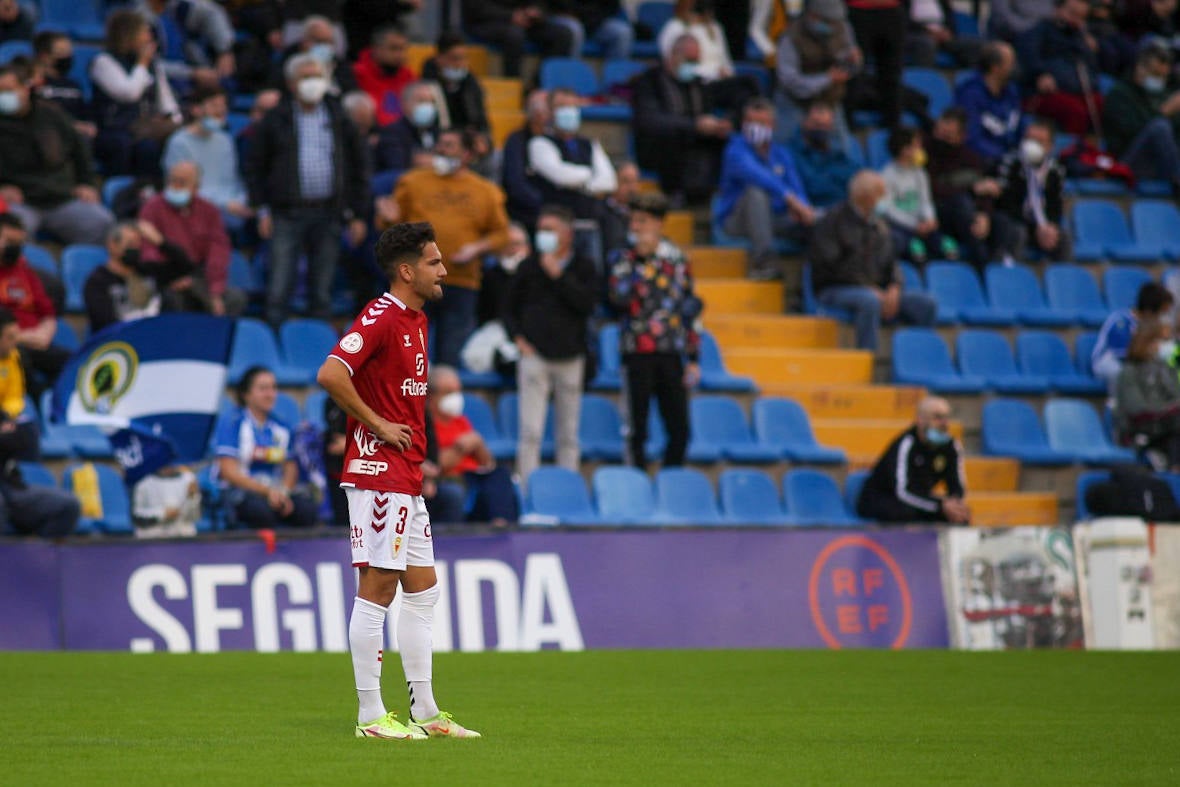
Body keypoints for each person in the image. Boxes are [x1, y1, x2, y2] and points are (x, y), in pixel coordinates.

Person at [316, 221, 481, 740]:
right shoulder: (381, 316)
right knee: (378, 587)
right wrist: (379, 425)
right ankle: (370, 717)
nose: (444, 270)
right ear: (407, 270)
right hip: (376, 472)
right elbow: (331, 373)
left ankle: (426, 713)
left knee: (424, 591)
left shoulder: (418, 321)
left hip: (405, 475)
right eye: (434, 262)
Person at [245, 53, 370, 327]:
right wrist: (262, 209)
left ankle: (318, 351)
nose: (312, 83)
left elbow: (360, 166)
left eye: (317, 76)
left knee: (322, 290)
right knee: (279, 288)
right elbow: (255, 166)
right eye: (306, 77)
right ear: (291, 83)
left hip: (330, 211)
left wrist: (358, 214)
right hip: (286, 212)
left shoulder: (339, 116)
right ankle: (275, 345)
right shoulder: (276, 118)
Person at [384, 129, 510, 367]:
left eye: (450, 145)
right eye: (440, 144)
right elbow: (390, 225)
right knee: (408, 357)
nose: (441, 150)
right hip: (415, 281)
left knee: (450, 357)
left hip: (461, 282)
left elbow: (502, 235)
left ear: (467, 154)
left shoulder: (486, 191)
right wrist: (386, 218)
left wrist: (476, 248)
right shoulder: (412, 181)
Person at [504, 205, 597, 487]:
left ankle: (568, 488)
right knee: (530, 431)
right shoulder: (528, 266)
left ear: (567, 234)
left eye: (550, 230)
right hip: (535, 356)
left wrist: (559, 276)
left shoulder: (584, 266)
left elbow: (588, 304)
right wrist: (518, 338)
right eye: (541, 230)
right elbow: (508, 308)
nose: (543, 235)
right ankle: (527, 487)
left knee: (568, 433)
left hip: (571, 357)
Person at [607, 193, 701, 468]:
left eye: (642, 221)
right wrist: (641, 263)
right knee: (637, 427)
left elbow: (689, 309)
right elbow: (618, 299)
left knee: (680, 428)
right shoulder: (622, 259)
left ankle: (670, 482)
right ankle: (638, 482)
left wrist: (694, 358)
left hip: (671, 351)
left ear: (659, 224)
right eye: (632, 221)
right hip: (636, 351)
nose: (635, 227)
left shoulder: (678, 260)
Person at [809, 170, 938, 351]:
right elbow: (830, 266)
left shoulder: (879, 225)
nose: (885, 198)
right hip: (835, 289)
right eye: (881, 193)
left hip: (876, 290)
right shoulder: (832, 221)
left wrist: (894, 287)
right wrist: (867, 288)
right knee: (869, 301)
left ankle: (918, 357)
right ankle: (868, 361)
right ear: (865, 196)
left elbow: (891, 262)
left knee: (926, 304)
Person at [0, 64, 114, 246]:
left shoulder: (52, 114)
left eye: (8, 90)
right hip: (21, 203)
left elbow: (80, 150)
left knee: (101, 222)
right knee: (9, 235)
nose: (3, 97)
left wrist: (86, 183)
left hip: (61, 197)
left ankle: (81, 271)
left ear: (26, 88)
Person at [0, 307, 80, 538]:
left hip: (10, 484)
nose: (17, 342)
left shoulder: (16, 359)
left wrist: (10, 432)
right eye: (10, 337)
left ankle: (35, 567)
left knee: (66, 506)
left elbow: (29, 443)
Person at [716, 96, 816, 280]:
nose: (755, 127)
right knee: (756, 193)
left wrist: (803, 208)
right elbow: (759, 176)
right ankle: (764, 261)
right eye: (750, 122)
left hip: (776, 217)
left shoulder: (781, 153)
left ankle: (814, 280)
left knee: (821, 219)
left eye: (762, 122)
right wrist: (791, 199)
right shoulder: (735, 149)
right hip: (737, 220)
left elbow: (796, 186)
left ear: (773, 125)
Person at [632, 34, 732, 205]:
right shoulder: (650, 80)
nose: (692, 65)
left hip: (694, 143)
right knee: (672, 136)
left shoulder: (698, 83)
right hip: (659, 147)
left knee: (725, 140)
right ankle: (677, 197)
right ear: (673, 55)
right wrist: (694, 125)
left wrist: (718, 125)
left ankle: (716, 197)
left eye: (696, 61)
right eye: (689, 60)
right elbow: (649, 120)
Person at [215, 365, 318, 529]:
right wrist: (267, 492)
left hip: (275, 491)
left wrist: (283, 492)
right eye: (263, 389)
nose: (270, 394)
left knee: (307, 510)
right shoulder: (232, 423)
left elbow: (290, 467)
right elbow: (228, 471)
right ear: (246, 394)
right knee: (261, 512)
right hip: (241, 492)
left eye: (273, 388)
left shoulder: (281, 427)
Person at [138, 161, 247, 316]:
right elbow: (149, 253)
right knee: (174, 300)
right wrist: (173, 278)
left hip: (200, 277)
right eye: (172, 180)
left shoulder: (209, 211)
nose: (175, 186)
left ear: (196, 187)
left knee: (235, 299)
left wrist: (213, 289)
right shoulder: (152, 207)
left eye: (182, 182)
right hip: (168, 278)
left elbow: (218, 253)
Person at [90, 9, 183, 178]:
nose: (149, 38)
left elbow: (167, 101)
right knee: (133, 146)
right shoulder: (103, 62)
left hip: (146, 129)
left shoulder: (154, 65)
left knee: (163, 143)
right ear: (128, 34)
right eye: (145, 32)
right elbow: (129, 93)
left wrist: (173, 121)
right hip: (115, 129)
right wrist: (142, 63)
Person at [428, 364, 519, 524]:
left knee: (501, 474)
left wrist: (478, 443)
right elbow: (437, 464)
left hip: (473, 478)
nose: (456, 397)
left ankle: (501, 527)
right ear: (431, 396)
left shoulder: (461, 421)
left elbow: (487, 463)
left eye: (458, 391)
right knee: (454, 493)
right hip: (448, 480)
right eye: (449, 392)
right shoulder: (426, 423)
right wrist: (461, 448)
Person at [857, 396, 971, 524]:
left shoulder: (951, 446)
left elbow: (957, 486)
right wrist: (940, 506)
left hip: (918, 500)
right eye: (937, 417)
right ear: (920, 420)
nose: (945, 424)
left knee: (961, 516)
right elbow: (902, 492)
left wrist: (954, 505)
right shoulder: (906, 444)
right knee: (906, 513)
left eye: (946, 417)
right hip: (884, 499)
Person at [0, 213, 69, 403]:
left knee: (72, 362)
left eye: (18, 242)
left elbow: (48, 312)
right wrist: (22, 337)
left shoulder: (24, 270)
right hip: (9, 344)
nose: (14, 248)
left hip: (36, 340)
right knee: (21, 359)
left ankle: (58, 407)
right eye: (9, 241)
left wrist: (44, 334)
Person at [161, 86, 253, 229]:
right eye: (214, 105)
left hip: (232, 207)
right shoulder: (178, 143)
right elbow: (180, 187)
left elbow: (233, 180)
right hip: (196, 209)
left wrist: (242, 200)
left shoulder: (226, 140)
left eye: (223, 106)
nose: (221, 111)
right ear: (196, 109)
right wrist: (225, 204)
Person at [926, 108, 1004, 270]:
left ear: (962, 137)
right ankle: (981, 265)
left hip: (968, 215)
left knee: (1003, 223)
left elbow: (985, 192)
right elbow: (931, 189)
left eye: (948, 136)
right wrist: (970, 190)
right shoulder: (926, 155)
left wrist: (984, 215)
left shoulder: (972, 159)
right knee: (961, 203)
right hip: (938, 212)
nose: (940, 139)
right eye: (938, 132)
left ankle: (1000, 268)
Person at [774, 0, 859, 147]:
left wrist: (853, 62)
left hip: (830, 100)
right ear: (813, 17)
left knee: (843, 149)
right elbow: (790, 81)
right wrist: (827, 78)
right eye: (829, 22)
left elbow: (851, 60)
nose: (834, 26)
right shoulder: (790, 38)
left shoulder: (842, 27)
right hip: (794, 101)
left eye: (836, 22)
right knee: (786, 149)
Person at [527, 87, 618, 224]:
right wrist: (592, 174)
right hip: (557, 223)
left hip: (589, 221)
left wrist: (581, 184)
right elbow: (560, 176)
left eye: (573, 106)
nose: (568, 111)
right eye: (562, 106)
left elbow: (609, 181)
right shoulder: (539, 143)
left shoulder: (589, 144)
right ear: (550, 111)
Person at [1102, 41, 1180, 194]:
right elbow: (1131, 133)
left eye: (1163, 77)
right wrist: (1164, 111)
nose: (1159, 81)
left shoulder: (1162, 93)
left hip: (1162, 162)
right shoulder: (1119, 94)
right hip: (1128, 160)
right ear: (1139, 67)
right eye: (1155, 74)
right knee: (1160, 127)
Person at [1018, 0, 1104, 136]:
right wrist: (1040, 74)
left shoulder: (1080, 39)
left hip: (1078, 90)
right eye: (1072, 14)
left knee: (1100, 104)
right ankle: (1071, 150)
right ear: (1058, 9)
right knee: (1075, 111)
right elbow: (1029, 55)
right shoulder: (1041, 30)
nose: (1075, 20)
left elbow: (1092, 68)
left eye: (1081, 17)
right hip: (1046, 92)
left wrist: (1089, 48)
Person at [993, 119, 1071, 261]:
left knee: (1063, 237)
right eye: (1029, 139)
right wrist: (1037, 228)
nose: (1031, 145)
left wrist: (1050, 226)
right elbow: (1004, 203)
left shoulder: (1055, 170)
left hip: (1039, 226)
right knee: (1018, 232)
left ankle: (1064, 280)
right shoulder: (1011, 163)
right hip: (1014, 221)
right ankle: (1010, 273)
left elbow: (1056, 205)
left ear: (1050, 146)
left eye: (1039, 141)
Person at [879, 127, 958, 265]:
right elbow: (888, 210)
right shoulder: (886, 176)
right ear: (905, 149)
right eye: (916, 146)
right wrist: (914, 225)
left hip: (923, 225)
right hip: (902, 228)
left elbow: (926, 201)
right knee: (917, 250)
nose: (920, 150)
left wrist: (930, 219)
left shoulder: (920, 173)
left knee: (949, 246)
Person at [1113, 319, 1180, 470]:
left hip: (1167, 424)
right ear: (1147, 342)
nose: (1165, 345)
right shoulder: (1129, 372)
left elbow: (1175, 395)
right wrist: (1169, 409)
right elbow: (1137, 409)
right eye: (1161, 340)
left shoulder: (1165, 368)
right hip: (1140, 429)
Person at [1092, 281, 1174, 391]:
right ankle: (1117, 403)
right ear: (1150, 311)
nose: (1164, 317)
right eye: (1162, 312)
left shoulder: (1156, 326)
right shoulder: (1121, 321)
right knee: (1126, 374)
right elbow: (1127, 356)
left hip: (1136, 363)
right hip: (1108, 361)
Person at [83, 222, 163, 334]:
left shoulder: (147, 271)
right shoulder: (97, 282)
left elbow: (184, 267)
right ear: (112, 245)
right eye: (130, 244)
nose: (136, 248)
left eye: (138, 244)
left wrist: (161, 242)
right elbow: (105, 325)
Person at [460, 1, 575, 78]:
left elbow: (540, 3)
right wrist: (511, 15)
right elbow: (474, 8)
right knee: (515, 35)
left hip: (525, 21)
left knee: (563, 34)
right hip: (488, 22)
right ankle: (513, 85)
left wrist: (536, 11)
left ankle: (539, 84)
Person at [955, 41, 1025, 169]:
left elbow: (1018, 129)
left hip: (1009, 159)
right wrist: (1004, 157)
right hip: (981, 161)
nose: (1014, 68)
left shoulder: (1012, 93)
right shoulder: (970, 94)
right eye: (1011, 63)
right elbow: (971, 138)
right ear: (995, 67)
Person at [135, 0, 236, 86]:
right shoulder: (137, 18)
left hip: (192, 71)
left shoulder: (178, 7)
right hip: (161, 82)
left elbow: (213, 13)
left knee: (224, 83)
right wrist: (191, 73)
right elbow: (146, 65)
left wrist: (224, 51)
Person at [789, 101, 859, 209]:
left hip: (843, 210)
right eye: (817, 124)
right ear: (805, 123)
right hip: (815, 212)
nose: (821, 130)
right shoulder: (792, 153)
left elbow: (857, 175)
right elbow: (815, 187)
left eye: (826, 126)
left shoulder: (835, 153)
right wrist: (841, 181)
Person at [847, 0, 906, 128]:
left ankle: (894, 125)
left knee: (892, 75)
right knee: (855, 71)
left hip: (892, 11)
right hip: (860, 10)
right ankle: (847, 124)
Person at [421, 31, 491, 140]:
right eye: (455, 59)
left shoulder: (471, 85)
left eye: (464, 58)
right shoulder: (424, 89)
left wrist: (483, 141)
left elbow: (482, 124)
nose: (460, 64)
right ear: (439, 59)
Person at [274, 14, 358, 97]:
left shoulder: (339, 64)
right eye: (319, 41)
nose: (325, 46)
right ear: (304, 41)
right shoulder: (286, 61)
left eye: (329, 42)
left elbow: (350, 91)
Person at [501, 88, 549, 228]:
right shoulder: (517, 140)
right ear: (538, 114)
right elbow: (516, 184)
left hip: (556, 213)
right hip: (525, 214)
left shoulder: (555, 139)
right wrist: (547, 204)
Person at [352, 25, 417, 127]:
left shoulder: (408, 76)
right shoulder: (358, 73)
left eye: (403, 49)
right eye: (393, 48)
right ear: (376, 49)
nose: (400, 55)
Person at [32, 31, 92, 134]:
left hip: (76, 138)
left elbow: (85, 116)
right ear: (45, 56)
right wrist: (71, 126)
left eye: (69, 52)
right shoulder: (35, 84)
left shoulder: (74, 85)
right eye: (62, 51)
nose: (68, 56)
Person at [381, 80, 442, 173]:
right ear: (404, 104)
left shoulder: (437, 131)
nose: (428, 106)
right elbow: (397, 166)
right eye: (421, 101)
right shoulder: (392, 133)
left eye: (431, 101)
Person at [131, 464, 201, 539]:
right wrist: (163, 514)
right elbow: (136, 516)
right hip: (152, 537)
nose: (168, 466)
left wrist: (192, 497)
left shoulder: (189, 479)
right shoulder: (143, 483)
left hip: (182, 536)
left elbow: (194, 516)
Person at [550, 1, 634, 60]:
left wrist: (595, 18)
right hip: (565, 15)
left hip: (594, 21)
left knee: (622, 32)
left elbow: (612, 6)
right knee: (575, 28)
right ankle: (570, 75)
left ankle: (616, 83)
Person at [988, 0, 1055, 42]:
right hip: (1008, 34)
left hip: (1044, 32)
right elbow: (1004, 16)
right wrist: (1031, 28)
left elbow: (1051, 11)